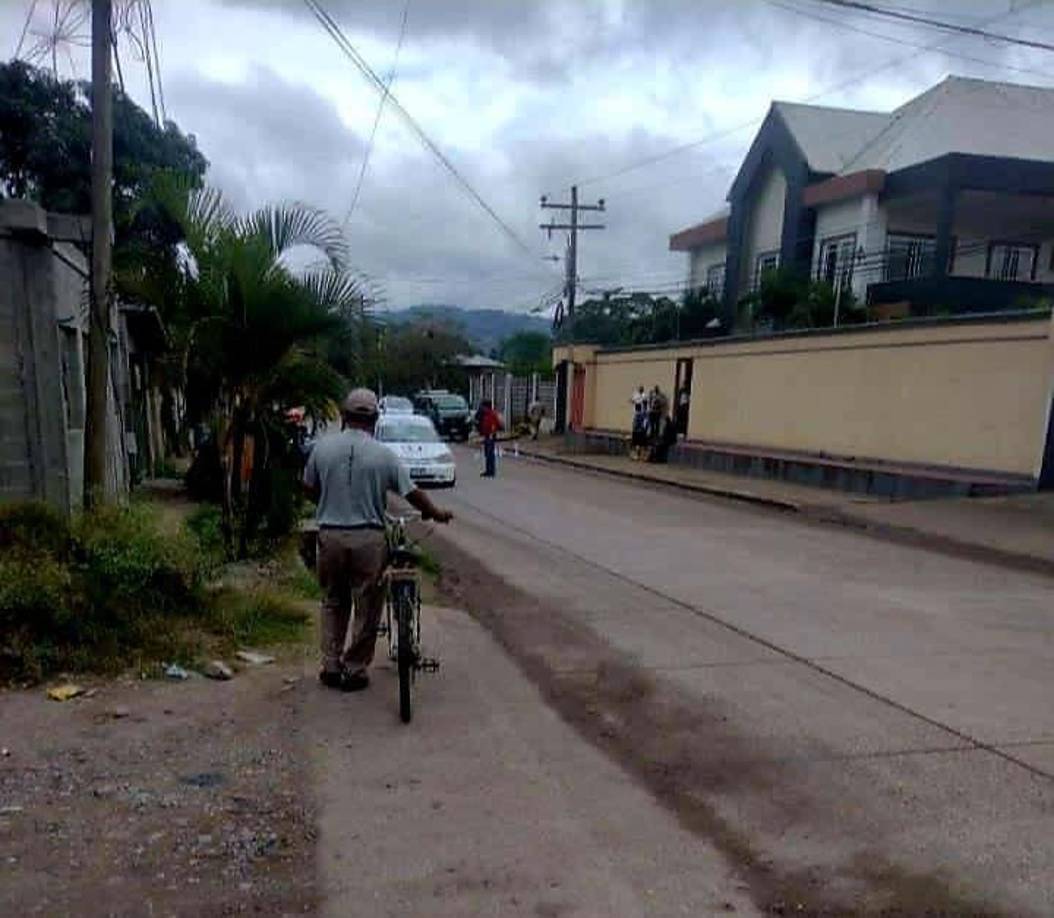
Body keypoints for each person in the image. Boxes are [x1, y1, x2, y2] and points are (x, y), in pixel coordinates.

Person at [303, 388, 453, 692]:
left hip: (330, 535)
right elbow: (413, 494)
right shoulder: (384, 455)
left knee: (333, 600)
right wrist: (435, 513)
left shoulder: (322, 448)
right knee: (369, 604)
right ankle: (355, 669)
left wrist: (327, 500)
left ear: (344, 417)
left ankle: (331, 665)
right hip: (368, 539)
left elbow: (307, 486)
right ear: (374, 418)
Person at [478, 399, 503, 477]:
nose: (482, 408)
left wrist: (492, 432)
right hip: (487, 435)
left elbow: (497, 425)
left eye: (483, 407)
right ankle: (488, 470)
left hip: (490, 435)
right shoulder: (485, 414)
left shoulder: (491, 414)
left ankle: (491, 471)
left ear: (486, 407)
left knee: (490, 453)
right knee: (487, 453)